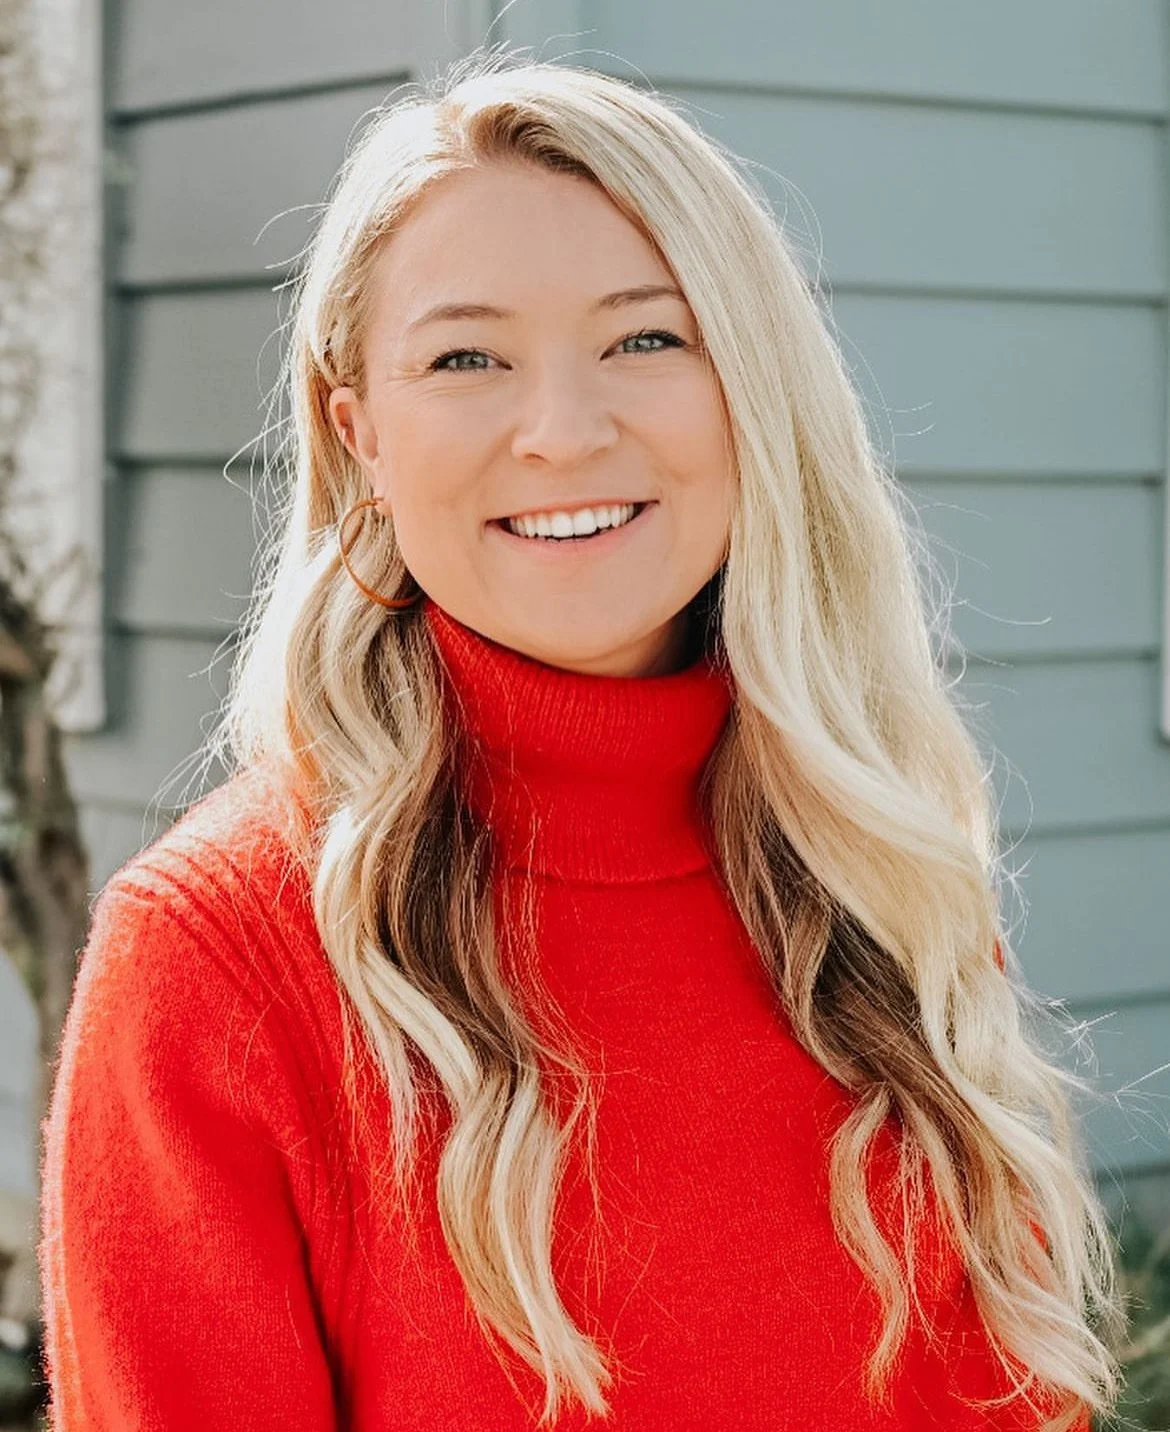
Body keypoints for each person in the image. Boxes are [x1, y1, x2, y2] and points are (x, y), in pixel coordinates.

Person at [38, 49, 1121, 1431]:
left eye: (645, 339)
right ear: (356, 431)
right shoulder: (221, 958)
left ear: (752, 391)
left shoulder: (876, 864)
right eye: (466, 357)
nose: (560, 430)